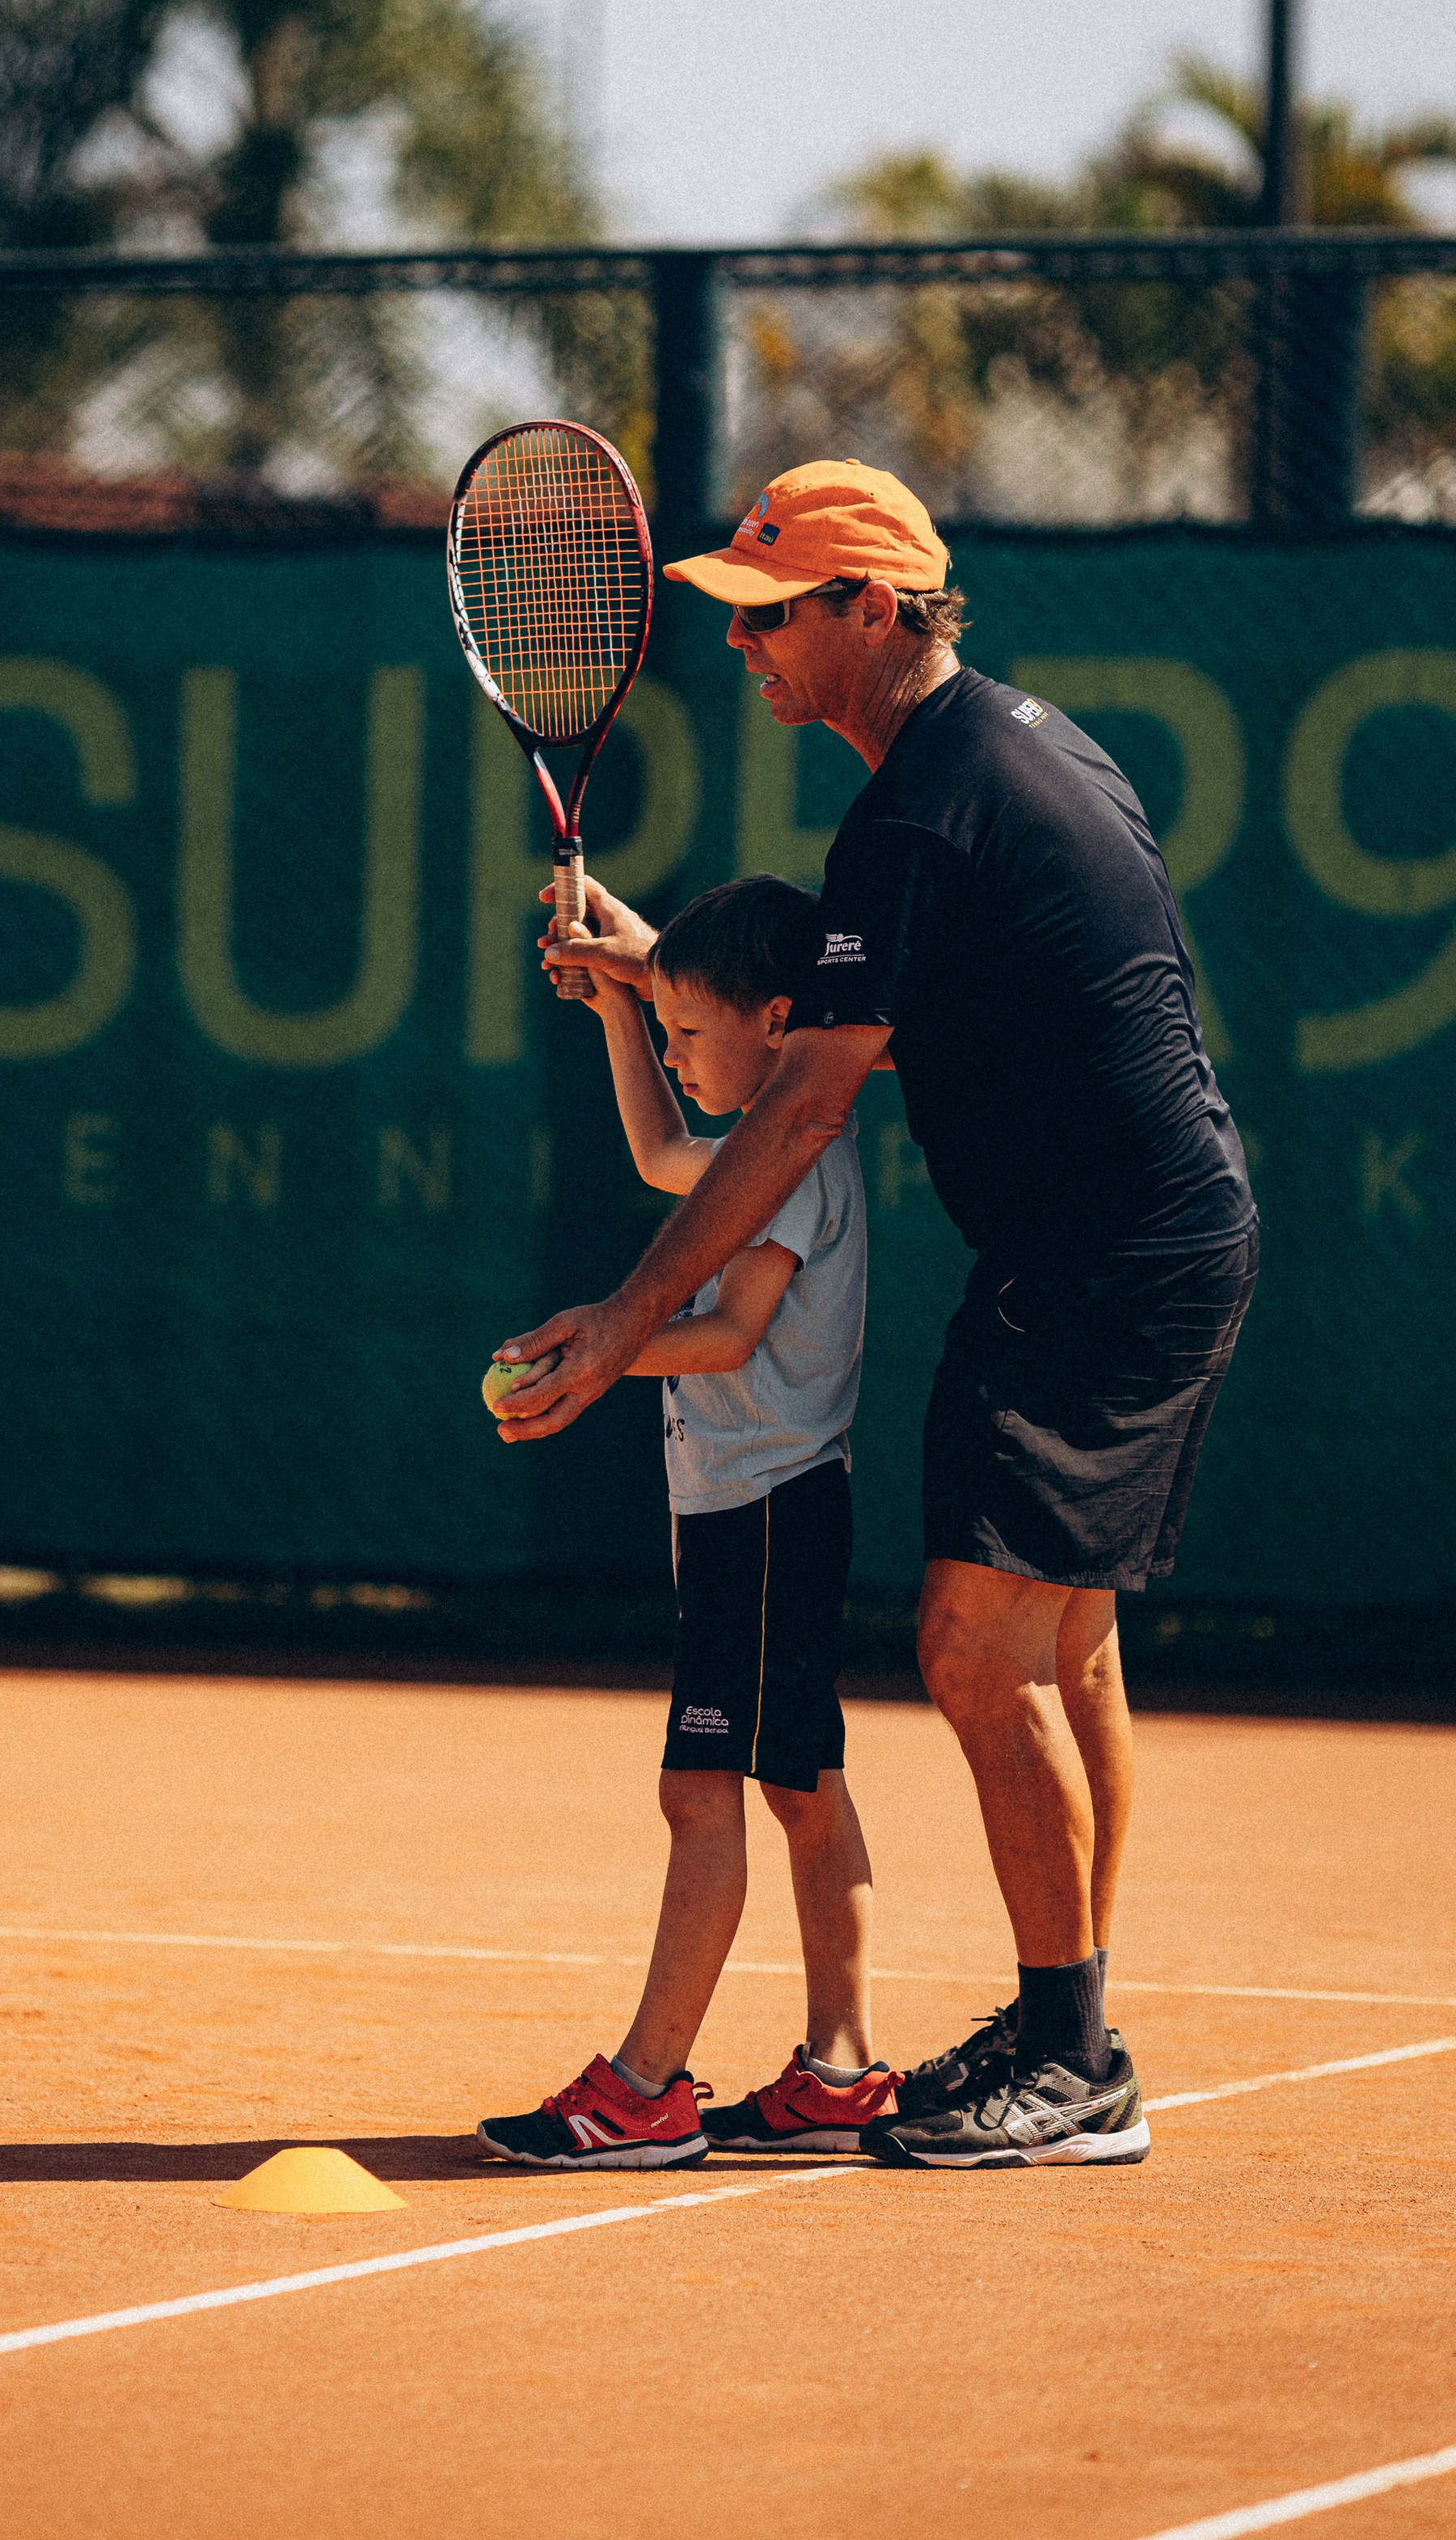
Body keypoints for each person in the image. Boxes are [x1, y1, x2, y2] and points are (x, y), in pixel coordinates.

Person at [492, 459, 1258, 2173]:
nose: (746, 643)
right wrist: (644, 978)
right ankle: (1067, 2025)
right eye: (734, 612)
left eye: (773, 613)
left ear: (871, 609)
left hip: (1097, 1257)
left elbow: (800, 1101)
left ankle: (1069, 2057)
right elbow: (912, 1011)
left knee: (968, 1651)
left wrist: (624, 1315)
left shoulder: (915, 807)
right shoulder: (1020, 747)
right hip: (1148, 1236)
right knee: (1060, 1644)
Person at [477, 875, 898, 2171]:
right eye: (666, 1036)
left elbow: (726, 1336)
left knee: (701, 1787)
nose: (676, 1056)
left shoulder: (797, 1168)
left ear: (780, 1022)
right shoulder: (749, 1150)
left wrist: (594, 1353)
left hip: (767, 1514)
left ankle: (647, 2086)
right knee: (800, 1783)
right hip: (758, 1511)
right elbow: (662, 1156)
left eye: (690, 1037)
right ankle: (839, 2068)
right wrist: (621, 1003)